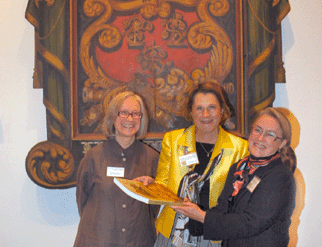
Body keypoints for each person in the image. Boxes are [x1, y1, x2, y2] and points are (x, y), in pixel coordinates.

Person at [137, 80, 249, 247]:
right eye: (199, 108)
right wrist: (152, 185)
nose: (205, 114)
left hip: (215, 236)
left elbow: (239, 199)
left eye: (211, 107)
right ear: (190, 112)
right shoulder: (173, 141)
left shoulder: (240, 148)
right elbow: (164, 184)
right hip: (174, 234)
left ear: (222, 111)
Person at [173, 107, 296, 247]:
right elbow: (223, 210)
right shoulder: (239, 168)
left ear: (283, 142)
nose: (260, 138)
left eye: (270, 134)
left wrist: (202, 216)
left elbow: (250, 223)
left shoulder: (280, 177)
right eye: (258, 130)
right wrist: (190, 214)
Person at [73, 91, 159, 247]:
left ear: (142, 119)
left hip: (138, 241)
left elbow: (155, 208)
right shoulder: (93, 157)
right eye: (124, 113)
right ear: (113, 117)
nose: (130, 119)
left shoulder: (152, 158)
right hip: (98, 240)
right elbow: (82, 201)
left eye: (135, 114)